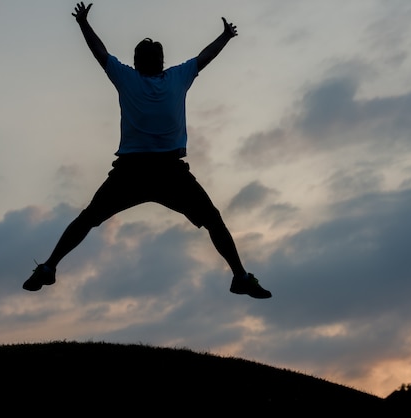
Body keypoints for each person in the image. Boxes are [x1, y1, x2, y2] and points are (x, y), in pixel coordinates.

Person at [23, 2, 272, 299]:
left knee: (211, 220)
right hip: (139, 171)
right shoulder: (142, 77)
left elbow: (203, 57)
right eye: (154, 55)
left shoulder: (163, 76)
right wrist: (83, 24)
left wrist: (225, 37)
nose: (157, 59)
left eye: (158, 55)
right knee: (90, 217)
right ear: (145, 61)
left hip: (161, 172)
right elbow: (101, 53)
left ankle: (241, 277)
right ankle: (49, 267)